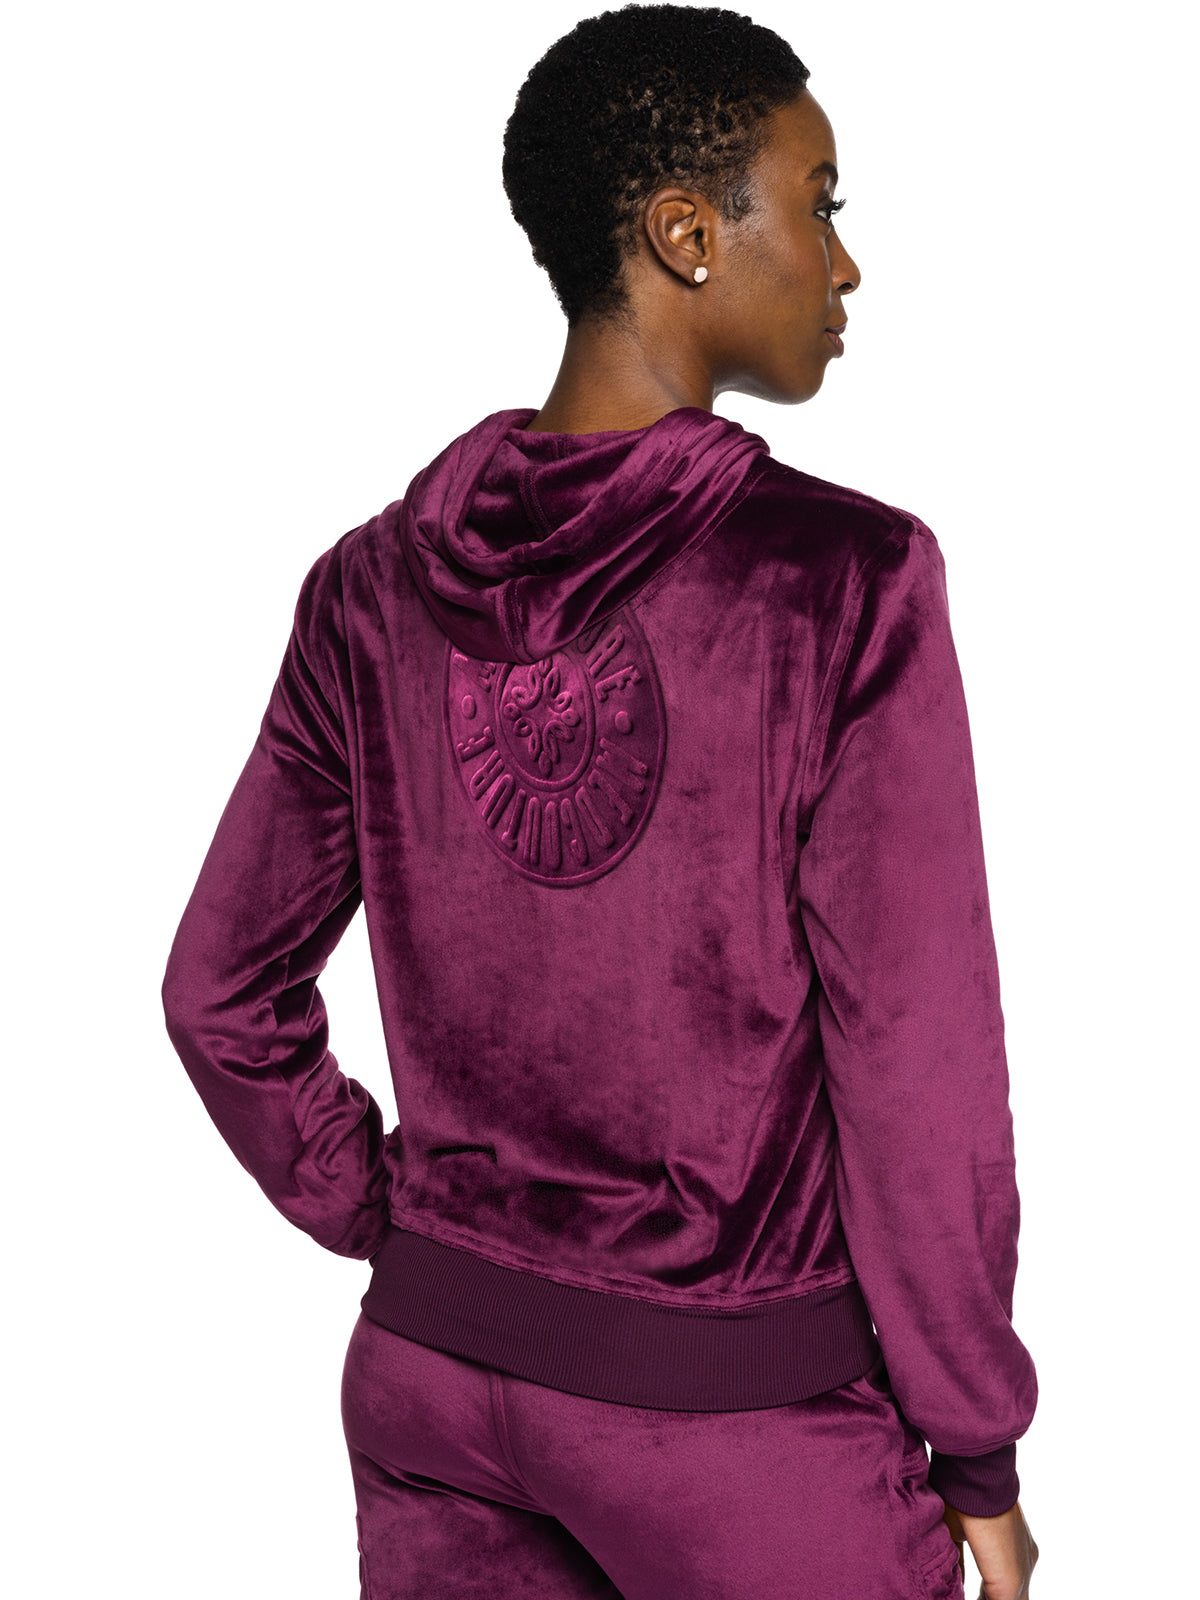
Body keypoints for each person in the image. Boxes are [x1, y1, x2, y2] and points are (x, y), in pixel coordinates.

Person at [161, 5, 1040, 1596]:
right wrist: (975, 1447)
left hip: (431, 1382)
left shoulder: (369, 588)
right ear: (687, 235)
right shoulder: (843, 582)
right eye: (822, 206)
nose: (847, 267)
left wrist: (395, 1220)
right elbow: (919, 1072)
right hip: (736, 1420)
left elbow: (218, 992)